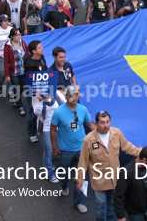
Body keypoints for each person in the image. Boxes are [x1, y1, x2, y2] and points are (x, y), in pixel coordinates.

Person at [76, 110, 140, 221]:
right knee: (101, 209)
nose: (106, 125)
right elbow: (83, 160)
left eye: (108, 122)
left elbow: (127, 147)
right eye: (102, 122)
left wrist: (142, 153)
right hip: (99, 182)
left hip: (115, 180)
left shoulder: (117, 133)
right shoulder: (89, 140)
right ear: (96, 123)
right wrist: (80, 179)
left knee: (112, 207)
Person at [51, 85, 95, 214]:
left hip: (81, 149)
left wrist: (103, 131)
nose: (76, 98)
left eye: (77, 95)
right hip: (65, 151)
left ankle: (78, 201)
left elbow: (90, 124)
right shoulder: (59, 112)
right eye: (73, 95)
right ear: (67, 97)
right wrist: (54, 148)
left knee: (80, 177)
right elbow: (53, 130)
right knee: (64, 174)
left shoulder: (83, 109)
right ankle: (63, 185)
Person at [24, 40, 48, 143]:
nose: (42, 48)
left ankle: (41, 129)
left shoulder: (41, 57)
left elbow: (45, 71)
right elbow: (31, 81)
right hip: (34, 91)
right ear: (33, 51)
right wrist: (35, 94)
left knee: (44, 110)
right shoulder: (30, 64)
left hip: (43, 88)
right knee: (33, 112)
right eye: (39, 47)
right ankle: (31, 133)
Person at [3, 28, 28, 117]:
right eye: (16, 35)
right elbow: (6, 62)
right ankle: (20, 106)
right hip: (14, 72)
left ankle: (15, 98)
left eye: (19, 34)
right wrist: (7, 75)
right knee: (17, 88)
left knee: (22, 88)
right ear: (12, 36)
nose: (18, 37)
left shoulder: (23, 43)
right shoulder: (8, 46)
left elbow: (27, 54)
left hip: (23, 70)